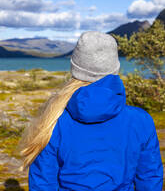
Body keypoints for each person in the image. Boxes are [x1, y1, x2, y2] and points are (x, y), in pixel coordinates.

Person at [18, 31, 164, 191]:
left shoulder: (51, 121)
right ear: (115, 68)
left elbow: (42, 184)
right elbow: (150, 179)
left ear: (75, 67)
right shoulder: (141, 120)